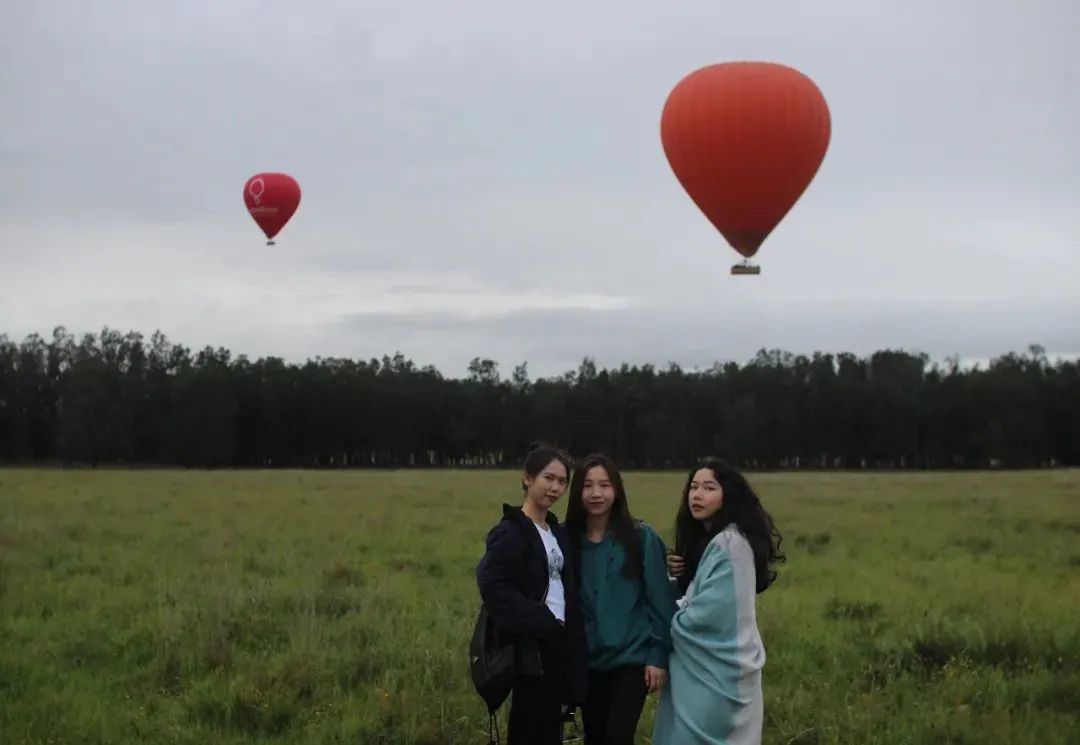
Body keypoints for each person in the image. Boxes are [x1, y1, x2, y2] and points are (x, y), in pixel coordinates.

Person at [652, 459, 786, 745]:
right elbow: (697, 593)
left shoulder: (730, 544)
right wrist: (681, 576)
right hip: (710, 675)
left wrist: (667, 619)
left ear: (728, 495)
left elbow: (710, 613)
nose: (697, 494)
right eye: (693, 487)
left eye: (709, 488)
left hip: (720, 677)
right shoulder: (713, 541)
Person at [476, 443, 589, 745]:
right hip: (530, 648)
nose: (555, 487)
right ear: (528, 478)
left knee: (550, 728)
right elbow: (493, 586)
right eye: (548, 478)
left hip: (558, 645)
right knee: (529, 727)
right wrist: (541, 621)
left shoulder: (557, 532)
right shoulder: (511, 531)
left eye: (562, 481)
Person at [564, 453, 678, 745]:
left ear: (617, 490)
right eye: (587, 485)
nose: (596, 493)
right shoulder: (566, 541)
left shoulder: (641, 538)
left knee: (618, 736)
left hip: (631, 657)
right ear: (578, 491)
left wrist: (658, 657)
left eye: (604, 484)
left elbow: (661, 602)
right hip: (587, 659)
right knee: (595, 736)